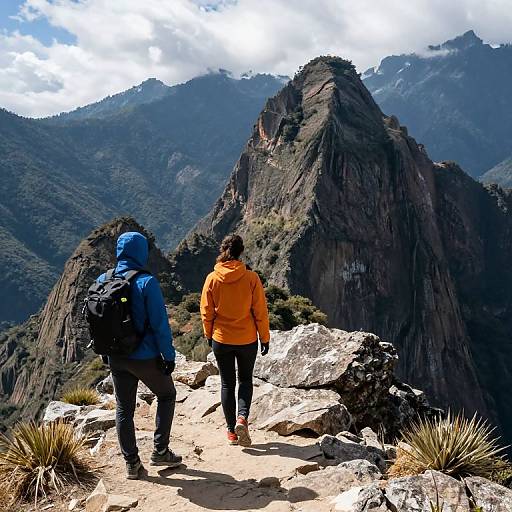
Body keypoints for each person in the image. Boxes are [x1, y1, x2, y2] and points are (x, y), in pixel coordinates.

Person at [97, 231, 181, 480]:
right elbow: (159, 324)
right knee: (167, 395)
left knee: (124, 409)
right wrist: (168, 356)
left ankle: (132, 463)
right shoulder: (146, 282)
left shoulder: (104, 279)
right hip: (144, 357)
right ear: (142, 252)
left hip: (115, 356)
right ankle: (160, 451)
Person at [200, 234, 270, 447]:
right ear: (241, 252)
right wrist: (264, 337)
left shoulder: (212, 278)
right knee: (245, 381)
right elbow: (260, 311)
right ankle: (243, 418)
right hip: (247, 339)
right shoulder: (251, 278)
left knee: (227, 384)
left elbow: (206, 311)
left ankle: (231, 432)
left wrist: (208, 334)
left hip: (221, 339)